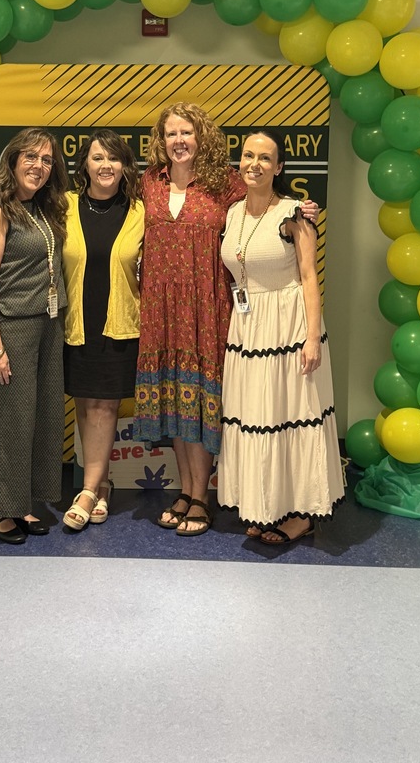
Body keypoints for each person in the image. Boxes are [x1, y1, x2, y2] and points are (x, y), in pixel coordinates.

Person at [134, 103, 318, 537]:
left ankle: (202, 497)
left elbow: (267, 202)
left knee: (201, 403)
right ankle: (185, 489)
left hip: (209, 307)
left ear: (202, 138)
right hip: (161, 310)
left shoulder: (225, 183)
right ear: (161, 140)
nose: (179, 141)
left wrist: (302, 210)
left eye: (187, 132)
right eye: (171, 133)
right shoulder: (149, 182)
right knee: (174, 400)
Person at [217, 130, 345, 544]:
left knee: (293, 415)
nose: (254, 164)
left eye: (265, 158)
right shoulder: (233, 212)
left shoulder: (294, 213)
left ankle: (302, 515)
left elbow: (309, 278)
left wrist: (312, 337)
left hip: (288, 325)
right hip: (247, 327)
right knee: (257, 418)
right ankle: (265, 506)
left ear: (279, 167)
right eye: (248, 155)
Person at [0, 127, 69, 544]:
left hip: (49, 325)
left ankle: (23, 501)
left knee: (41, 419)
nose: (39, 166)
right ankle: (0, 509)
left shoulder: (44, 209)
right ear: (11, 161)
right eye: (30, 157)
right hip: (12, 328)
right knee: (10, 422)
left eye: (46, 160)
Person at [61, 130, 144, 530]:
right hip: (77, 322)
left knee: (104, 407)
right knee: (84, 405)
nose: (106, 165)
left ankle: (87, 490)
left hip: (119, 324)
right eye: (97, 158)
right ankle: (103, 484)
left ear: (125, 166)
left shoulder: (140, 211)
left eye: (114, 158)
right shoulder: (64, 205)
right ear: (85, 165)